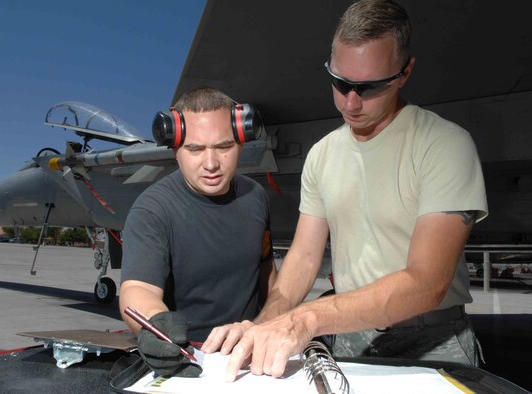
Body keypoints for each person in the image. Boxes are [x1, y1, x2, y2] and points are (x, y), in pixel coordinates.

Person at [202, 0, 488, 381]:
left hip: (435, 340)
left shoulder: (445, 145)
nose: (351, 102)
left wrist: (307, 319)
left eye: (369, 88)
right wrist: (262, 325)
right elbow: (303, 260)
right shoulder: (321, 156)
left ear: (405, 73)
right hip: (352, 338)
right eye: (340, 83)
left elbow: (427, 283)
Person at [119, 87, 277, 377]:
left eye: (224, 147)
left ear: (242, 142)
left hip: (253, 355)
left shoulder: (256, 197)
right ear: (174, 147)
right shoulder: (153, 210)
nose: (211, 164)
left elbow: (266, 271)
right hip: (190, 358)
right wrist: (158, 328)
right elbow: (137, 289)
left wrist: (271, 323)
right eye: (195, 149)